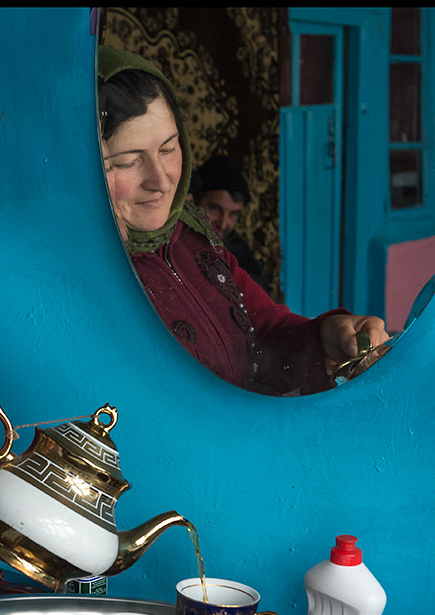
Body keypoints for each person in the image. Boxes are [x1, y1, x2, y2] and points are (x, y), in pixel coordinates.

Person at [97, 46, 388, 396]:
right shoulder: (80, 272)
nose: (161, 181)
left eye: (168, 149)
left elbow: (261, 329)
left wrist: (327, 335)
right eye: (129, 161)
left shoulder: (192, 234)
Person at [189, 154, 268, 291]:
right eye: (214, 208)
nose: (223, 224)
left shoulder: (241, 257)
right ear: (194, 202)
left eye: (233, 214)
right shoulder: (176, 243)